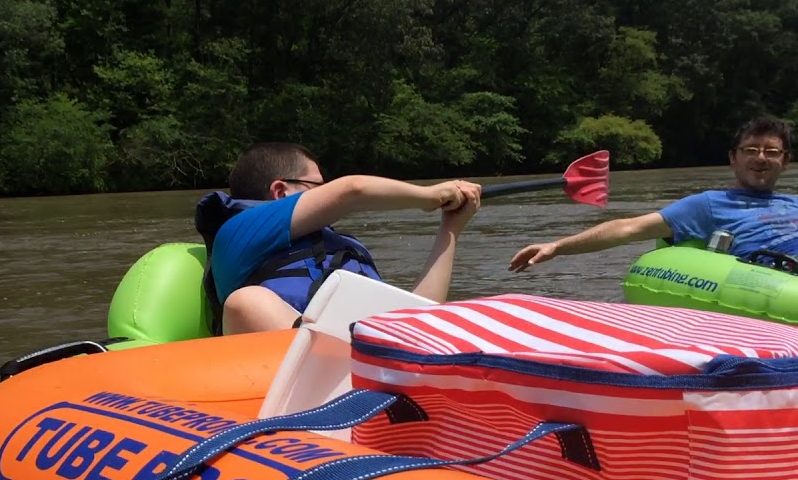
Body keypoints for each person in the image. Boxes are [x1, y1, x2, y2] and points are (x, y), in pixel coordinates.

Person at [199, 142, 482, 334]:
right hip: (301, 374)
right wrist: (432, 196)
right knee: (247, 302)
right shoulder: (237, 233)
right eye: (319, 186)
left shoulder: (345, 249)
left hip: (372, 356)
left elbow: (420, 313)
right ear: (281, 191)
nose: (326, 192)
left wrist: (450, 229)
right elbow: (352, 190)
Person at [510, 115, 797, 273]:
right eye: (750, 150)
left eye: (772, 152)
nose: (761, 158)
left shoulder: (793, 203)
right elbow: (628, 228)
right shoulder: (709, 205)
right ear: (733, 158)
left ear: (785, 162)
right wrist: (557, 246)